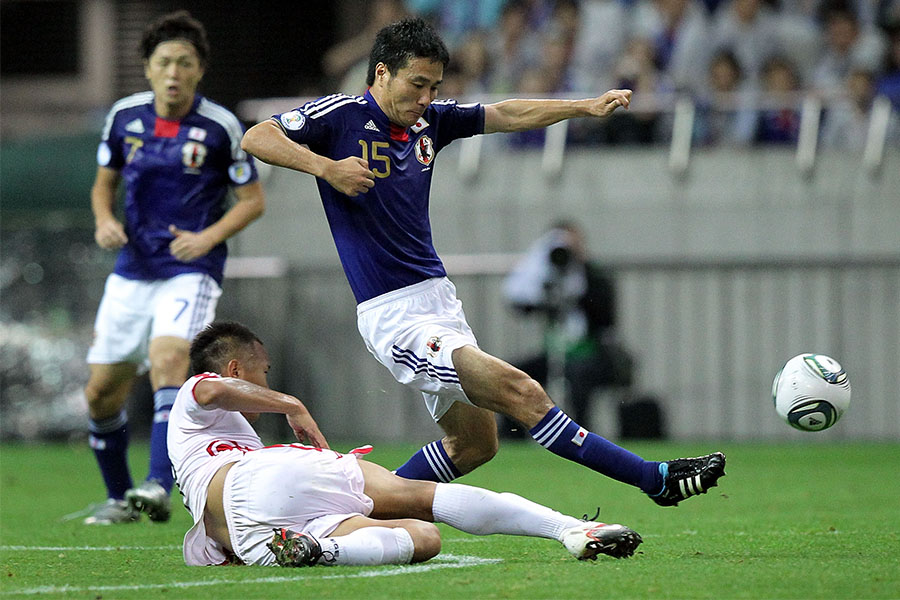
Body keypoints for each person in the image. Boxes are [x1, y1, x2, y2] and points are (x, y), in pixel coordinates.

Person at [241, 17, 725, 508]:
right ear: (382, 73)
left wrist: (582, 106)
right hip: (396, 315)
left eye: (433, 87)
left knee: (475, 444)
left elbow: (507, 114)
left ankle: (360, 505)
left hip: (439, 303)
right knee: (524, 392)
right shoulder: (342, 115)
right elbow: (258, 136)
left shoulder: (431, 122)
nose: (426, 98)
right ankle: (652, 478)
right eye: (417, 84)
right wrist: (326, 167)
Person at [170, 321, 642, 566]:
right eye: (263, 371)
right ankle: (567, 529)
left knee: (423, 538)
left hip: (256, 537)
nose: (265, 380)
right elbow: (209, 389)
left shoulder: (210, 442)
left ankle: (322, 551)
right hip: (258, 478)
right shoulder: (195, 396)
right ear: (236, 370)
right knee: (417, 496)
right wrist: (291, 404)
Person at [81, 10, 265, 525]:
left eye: (185, 62)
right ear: (147, 67)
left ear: (199, 70)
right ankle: (121, 499)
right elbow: (104, 184)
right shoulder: (123, 117)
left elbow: (252, 200)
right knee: (100, 392)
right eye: (165, 62)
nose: (174, 72)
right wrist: (102, 220)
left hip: (191, 267)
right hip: (133, 267)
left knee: (167, 360)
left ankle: (159, 483)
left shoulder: (219, 125)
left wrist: (206, 237)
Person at [502, 222, 634, 433]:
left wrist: (580, 272)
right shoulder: (545, 274)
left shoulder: (593, 276)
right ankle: (513, 436)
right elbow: (520, 303)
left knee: (578, 377)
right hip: (554, 354)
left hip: (592, 353)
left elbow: (605, 315)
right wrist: (540, 269)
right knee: (513, 376)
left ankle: (581, 435)